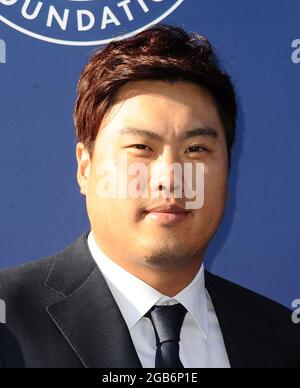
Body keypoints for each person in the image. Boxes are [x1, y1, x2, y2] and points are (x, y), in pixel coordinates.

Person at [0, 25, 299, 368]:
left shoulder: (282, 339)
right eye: (141, 148)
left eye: (196, 149)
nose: (170, 178)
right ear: (85, 167)